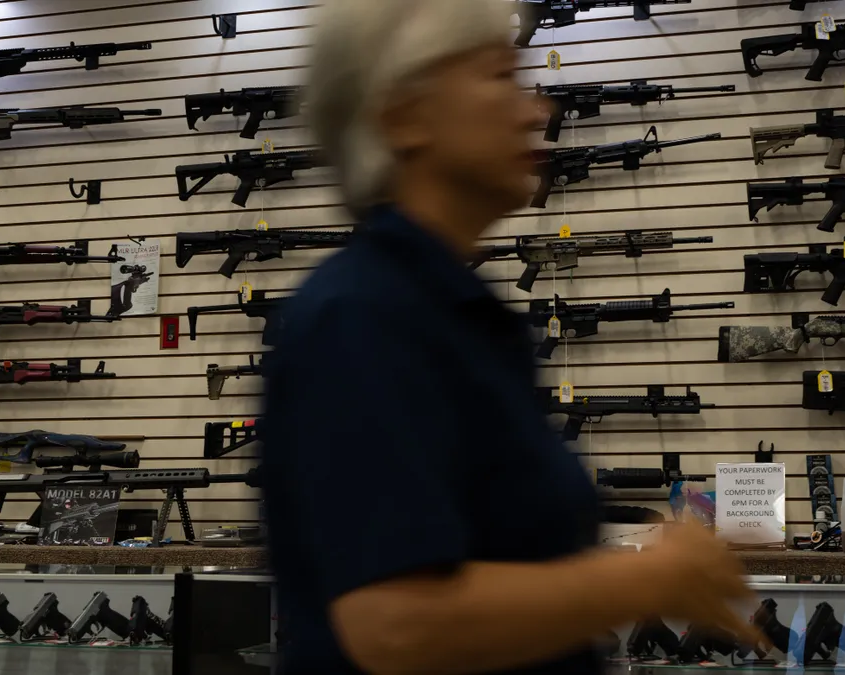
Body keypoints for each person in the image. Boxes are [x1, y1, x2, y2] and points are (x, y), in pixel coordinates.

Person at [259, 1, 762, 673]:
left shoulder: (460, 313)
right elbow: (397, 625)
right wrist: (646, 579)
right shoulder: (364, 315)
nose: (537, 110)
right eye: (500, 76)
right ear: (403, 116)